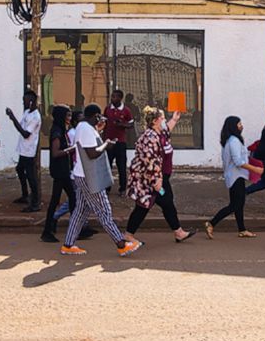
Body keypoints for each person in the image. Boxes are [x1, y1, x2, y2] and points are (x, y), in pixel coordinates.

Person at [61, 104, 141, 257]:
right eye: (98, 117)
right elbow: (91, 153)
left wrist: (100, 133)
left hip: (82, 175)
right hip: (88, 177)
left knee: (81, 211)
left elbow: (89, 146)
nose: (100, 119)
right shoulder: (85, 128)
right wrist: (106, 144)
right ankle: (121, 244)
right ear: (94, 116)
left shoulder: (84, 127)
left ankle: (68, 244)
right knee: (103, 210)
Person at [124, 107, 197, 243]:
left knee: (164, 203)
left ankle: (178, 232)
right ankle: (129, 235)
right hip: (151, 181)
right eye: (162, 118)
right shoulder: (149, 138)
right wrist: (156, 181)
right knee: (147, 205)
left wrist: (174, 119)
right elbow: (149, 162)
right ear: (156, 121)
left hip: (161, 179)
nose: (164, 121)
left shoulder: (159, 133)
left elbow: (167, 129)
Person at [207, 116, 262, 239]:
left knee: (239, 204)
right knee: (234, 205)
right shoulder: (233, 141)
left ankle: (242, 229)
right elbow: (238, 161)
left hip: (238, 175)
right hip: (235, 176)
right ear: (233, 126)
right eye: (239, 124)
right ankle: (211, 223)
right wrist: (255, 169)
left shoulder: (232, 140)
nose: (241, 126)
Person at [41, 105, 75, 242]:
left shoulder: (61, 130)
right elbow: (55, 153)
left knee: (73, 198)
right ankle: (48, 230)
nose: (69, 119)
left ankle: (74, 227)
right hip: (60, 171)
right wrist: (71, 149)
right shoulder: (57, 132)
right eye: (67, 116)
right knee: (58, 200)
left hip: (63, 170)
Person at [7, 90, 41, 212]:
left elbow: (26, 133)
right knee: (20, 169)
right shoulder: (27, 112)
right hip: (23, 148)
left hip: (29, 150)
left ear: (31, 102)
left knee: (31, 176)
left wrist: (13, 118)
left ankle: (36, 202)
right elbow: (21, 126)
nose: (23, 103)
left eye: (25, 101)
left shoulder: (36, 117)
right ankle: (25, 195)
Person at [103, 89, 134, 196]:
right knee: (107, 166)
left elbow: (131, 124)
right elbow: (104, 123)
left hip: (120, 142)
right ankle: (106, 188)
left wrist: (122, 124)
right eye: (112, 96)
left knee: (121, 166)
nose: (112, 99)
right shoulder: (107, 109)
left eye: (115, 97)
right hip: (108, 141)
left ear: (120, 98)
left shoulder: (126, 110)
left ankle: (122, 188)